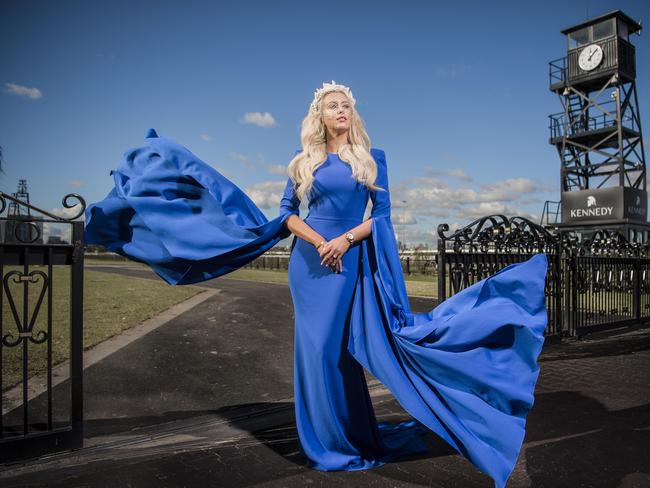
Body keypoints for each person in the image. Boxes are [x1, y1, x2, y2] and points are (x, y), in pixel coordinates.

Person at [85, 81, 549, 488]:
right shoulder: (301, 162)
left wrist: (345, 240)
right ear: (319, 117)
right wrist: (320, 240)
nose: (340, 110)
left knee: (343, 355)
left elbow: (381, 219)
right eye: (331, 105)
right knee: (317, 352)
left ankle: (352, 435)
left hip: (349, 263)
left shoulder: (372, 160)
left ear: (353, 114)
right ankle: (326, 443)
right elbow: (287, 214)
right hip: (310, 265)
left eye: (346, 104)